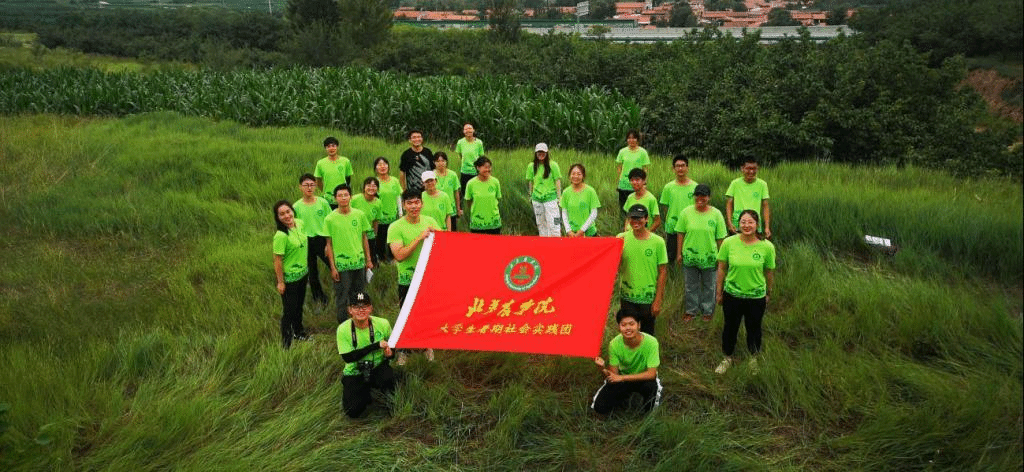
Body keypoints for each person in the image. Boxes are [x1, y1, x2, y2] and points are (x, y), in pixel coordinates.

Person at [714, 210, 776, 374]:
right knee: (730, 327)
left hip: (756, 296)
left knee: (754, 328)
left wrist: (768, 293)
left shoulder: (767, 247)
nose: (746, 225)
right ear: (738, 224)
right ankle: (727, 357)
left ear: (757, 225)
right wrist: (719, 292)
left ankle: (753, 358)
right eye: (743, 222)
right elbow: (722, 268)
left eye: (750, 222)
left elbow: (769, 272)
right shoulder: (729, 243)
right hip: (732, 294)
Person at [388, 189, 441, 365]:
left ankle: (427, 346)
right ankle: (404, 349)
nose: (414, 206)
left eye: (417, 202)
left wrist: (437, 234)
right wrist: (419, 237)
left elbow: (442, 245)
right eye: (409, 203)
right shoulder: (395, 227)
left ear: (422, 204)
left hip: (428, 279)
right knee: (407, 315)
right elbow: (399, 255)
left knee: (427, 314)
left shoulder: (430, 221)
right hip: (407, 280)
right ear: (404, 205)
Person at [591, 311, 662, 416]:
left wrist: (622, 378)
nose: (628, 328)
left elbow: (651, 374)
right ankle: (623, 399)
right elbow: (613, 376)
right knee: (599, 407)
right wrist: (602, 368)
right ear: (619, 327)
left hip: (643, 378)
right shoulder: (614, 344)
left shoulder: (651, 342)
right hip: (622, 379)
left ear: (639, 325)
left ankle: (647, 414)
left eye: (631, 324)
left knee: (651, 391)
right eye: (623, 325)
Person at [337, 291, 395, 418]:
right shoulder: (342, 329)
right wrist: (375, 346)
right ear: (350, 310)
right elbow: (348, 358)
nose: (361, 310)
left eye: (365, 306)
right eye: (356, 307)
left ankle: (385, 393)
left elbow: (393, 349)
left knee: (388, 378)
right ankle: (364, 392)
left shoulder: (383, 323)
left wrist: (390, 354)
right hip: (355, 371)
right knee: (353, 411)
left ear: (371, 308)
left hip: (378, 366)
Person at [675, 184, 727, 322]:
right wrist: (679, 253)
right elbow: (680, 233)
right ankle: (691, 310)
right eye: (697, 195)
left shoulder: (716, 214)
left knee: (709, 286)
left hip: (710, 257)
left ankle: (707, 311)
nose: (700, 198)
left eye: (703, 196)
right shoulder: (686, 212)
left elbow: (720, 238)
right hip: (690, 257)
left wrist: (721, 257)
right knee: (690, 286)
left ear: (709, 197)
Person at [324, 184, 373, 324]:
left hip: (359, 264)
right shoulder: (330, 219)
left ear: (350, 197)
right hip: (342, 266)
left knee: (359, 295)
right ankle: (343, 324)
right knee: (342, 296)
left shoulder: (359, 215)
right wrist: (333, 267)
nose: (343, 198)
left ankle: (359, 321)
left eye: (346, 195)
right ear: (335, 198)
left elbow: (364, 238)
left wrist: (368, 259)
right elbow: (329, 245)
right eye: (340, 195)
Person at [617, 205, 668, 336]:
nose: (635, 221)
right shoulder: (621, 239)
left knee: (647, 333)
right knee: (629, 332)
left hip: (648, 298)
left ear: (646, 219)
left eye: (639, 218)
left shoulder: (658, 242)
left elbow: (663, 271)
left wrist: (658, 300)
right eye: (632, 218)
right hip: (627, 296)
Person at [272, 200, 309, 349]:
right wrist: (281, 282)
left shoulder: (300, 223)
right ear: (278, 218)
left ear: (293, 211)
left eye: (288, 212)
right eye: (282, 214)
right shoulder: (280, 236)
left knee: (299, 306)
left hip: (303, 274)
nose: (287, 216)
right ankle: (286, 343)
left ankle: (299, 332)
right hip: (290, 279)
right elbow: (277, 260)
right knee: (289, 311)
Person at [293, 174, 332, 305]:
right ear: (300, 187)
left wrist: (328, 244)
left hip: (322, 240)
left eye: (312, 185)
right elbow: (295, 228)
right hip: (306, 242)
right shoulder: (296, 207)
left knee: (334, 265)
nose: (309, 188)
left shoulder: (323, 203)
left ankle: (342, 291)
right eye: (306, 185)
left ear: (315, 186)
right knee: (312, 272)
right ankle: (319, 298)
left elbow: (330, 223)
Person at [660, 155, 698, 264]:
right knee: (671, 255)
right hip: (673, 226)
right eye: (677, 166)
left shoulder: (695, 187)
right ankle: (672, 274)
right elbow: (665, 208)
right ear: (673, 169)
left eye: (683, 166)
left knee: (689, 254)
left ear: (687, 168)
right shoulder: (668, 187)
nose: (680, 168)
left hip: (690, 226)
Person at [725, 158, 771, 239]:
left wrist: (767, 227)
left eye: (754, 169)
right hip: (737, 224)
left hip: (755, 224)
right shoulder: (735, 183)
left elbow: (765, 205)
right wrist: (729, 223)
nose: (751, 172)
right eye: (748, 169)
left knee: (755, 245)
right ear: (742, 169)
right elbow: (729, 203)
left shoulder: (762, 184)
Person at [525, 143, 563, 237]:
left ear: (547, 153)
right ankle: (543, 241)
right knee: (541, 223)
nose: (541, 154)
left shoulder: (553, 165)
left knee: (555, 223)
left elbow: (557, 181)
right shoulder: (531, 166)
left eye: (543, 152)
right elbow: (531, 182)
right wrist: (530, 195)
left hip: (551, 198)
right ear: (536, 153)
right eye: (539, 152)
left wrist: (559, 197)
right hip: (537, 199)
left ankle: (556, 241)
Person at [373, 157, 403, 264]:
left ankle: (392, 258)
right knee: (380, 238)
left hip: (393, 216)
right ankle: (381, 258)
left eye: (384, 164)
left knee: (392, 238)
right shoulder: (374, 182)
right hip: (379, 217)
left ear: (388, 166)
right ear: (375, 168)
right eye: (379, 164)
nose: (382, 166)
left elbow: (398, 197)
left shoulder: (394, 180)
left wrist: (400, 213)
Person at [559, 163, 601, 237]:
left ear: (583, 176)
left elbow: (594, 213)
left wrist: (582, 230)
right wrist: (568, 230)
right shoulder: (566, 192)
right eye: (573, 174)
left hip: (589, 233)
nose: (576, 176)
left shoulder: (590, 191)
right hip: (572, 234)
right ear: (569, 176)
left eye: (579, 174)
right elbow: (564, 212)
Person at [464, 156, 502, 234]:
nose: (487, 170)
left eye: (489, 167)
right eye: (485, 167)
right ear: (478, 168)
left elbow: (498, 198)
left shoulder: (495, 182)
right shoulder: (471, 184)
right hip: (477, 223)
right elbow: (469, 201)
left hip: (493, 223)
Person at [615, 129, 650, 211]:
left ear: (637, 139)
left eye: (634, 138)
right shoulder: (622, 152)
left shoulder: (643, 152)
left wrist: (644, 183)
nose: (631, 140)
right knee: (623, 208)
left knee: (636, 208)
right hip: (624, 183)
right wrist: (618, 181)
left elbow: (645, 169)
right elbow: (619, 168)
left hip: (637, 184)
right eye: (629, 138)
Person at [351, 177, 383, 266]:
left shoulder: (378, 202)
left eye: (374, 186)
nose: (371, 188)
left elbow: (376, 220)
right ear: (364, 187)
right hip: (355, 232)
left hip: (369, 233)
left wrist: (375, 234)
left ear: (377, 189)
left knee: (371, 255)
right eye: (368, 185)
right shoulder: (354, 199)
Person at [314, 137, 353, 209]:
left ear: (337, 147)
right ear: (325, 148)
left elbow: (348, 178)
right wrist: (324, 191)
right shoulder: (320, 163)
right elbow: (318, 180)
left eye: (333, 146)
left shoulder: (345, 161)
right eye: (328, 146)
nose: (331, 148)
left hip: (342, 197)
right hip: (328, 198)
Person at [621, 168, 661, 232]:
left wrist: (647, 233)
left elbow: (657, 221)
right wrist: (626, 230)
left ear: (644, 181)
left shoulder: (651, 199)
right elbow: (628, 218)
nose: (634, 182)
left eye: (637, 180)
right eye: (632, 180)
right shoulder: (630, 197)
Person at [432, 152, 463, 231]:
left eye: (443, 161)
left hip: (451, 209)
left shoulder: (452, 175)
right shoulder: (431, 175)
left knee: (452, 232)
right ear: (434, 162)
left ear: (446, 162)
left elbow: (456, 193)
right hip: (437, 210)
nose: (441, 163)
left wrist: (458, 209)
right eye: (438, 161)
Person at [454, 123, 485, 196]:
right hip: (464, 171)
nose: (468, 130)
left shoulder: (479, 142)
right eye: (466, 129)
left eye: (470, 128)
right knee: (464, 192)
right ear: (463, 131)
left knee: (475, 192)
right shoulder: (460, 142)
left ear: (473, 130)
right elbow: (460, 155)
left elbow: (481, 157)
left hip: (475, 171)